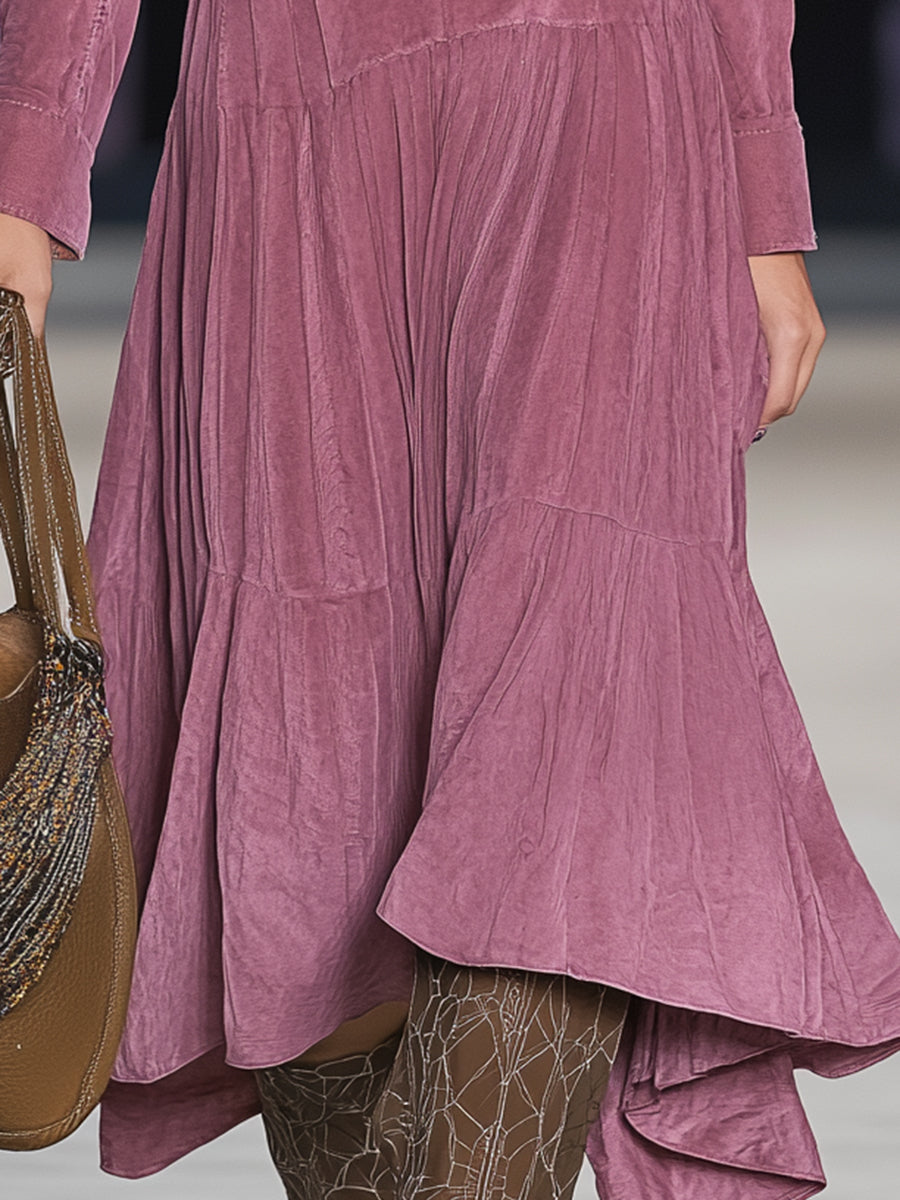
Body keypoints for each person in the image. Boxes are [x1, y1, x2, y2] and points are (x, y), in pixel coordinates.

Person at [1, 2, 899, 1197]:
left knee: (570, 710)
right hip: (295, 112)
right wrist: (25, 166)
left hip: (604, 103)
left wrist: (759, 184)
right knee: (316, 754)